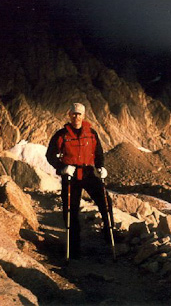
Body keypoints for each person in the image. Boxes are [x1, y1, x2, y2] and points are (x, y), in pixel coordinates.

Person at [46, 102, 113, 259]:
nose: (76, 117)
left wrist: (101, 167)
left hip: (89, 173)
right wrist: (62, 167)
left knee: (106, 203)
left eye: (79, 114)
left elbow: (98, 153)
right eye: (74, 114)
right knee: (71, 211)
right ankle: (74, 248)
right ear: (69, 115)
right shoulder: (61, 135)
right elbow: (50, 155)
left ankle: (110, 237)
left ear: (84, 116)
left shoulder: (92, 133)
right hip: (71, 175)